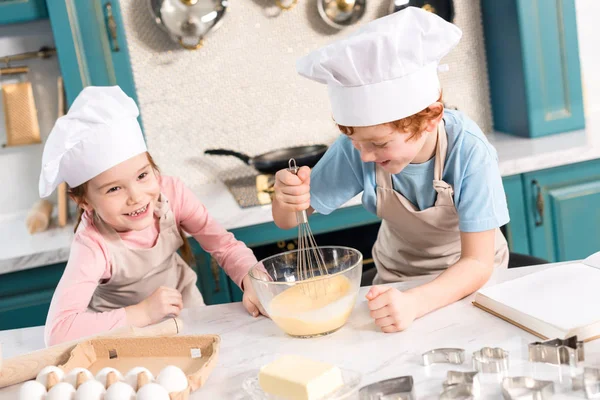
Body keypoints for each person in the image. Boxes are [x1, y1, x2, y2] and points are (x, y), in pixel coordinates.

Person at [272, 7, 509, 333]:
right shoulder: (358, 147)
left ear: (431, 118)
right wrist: (286, 196)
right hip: (396, 282)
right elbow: (288, 221)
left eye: (380, 144)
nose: (366, 157)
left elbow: (478, 262)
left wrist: (416, 303)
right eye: (355, 142)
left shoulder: (468, 150)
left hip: (471, 283)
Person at [40, 86, 264, 346]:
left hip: (185, 309)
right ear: (84, 201)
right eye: (114, 189)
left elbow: (223, 245)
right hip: (120, 335)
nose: (136, 196)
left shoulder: (172, 192)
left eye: (142, 175)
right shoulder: (93, 244)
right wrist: (143, 312)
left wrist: (252, 280)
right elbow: (58, 331)